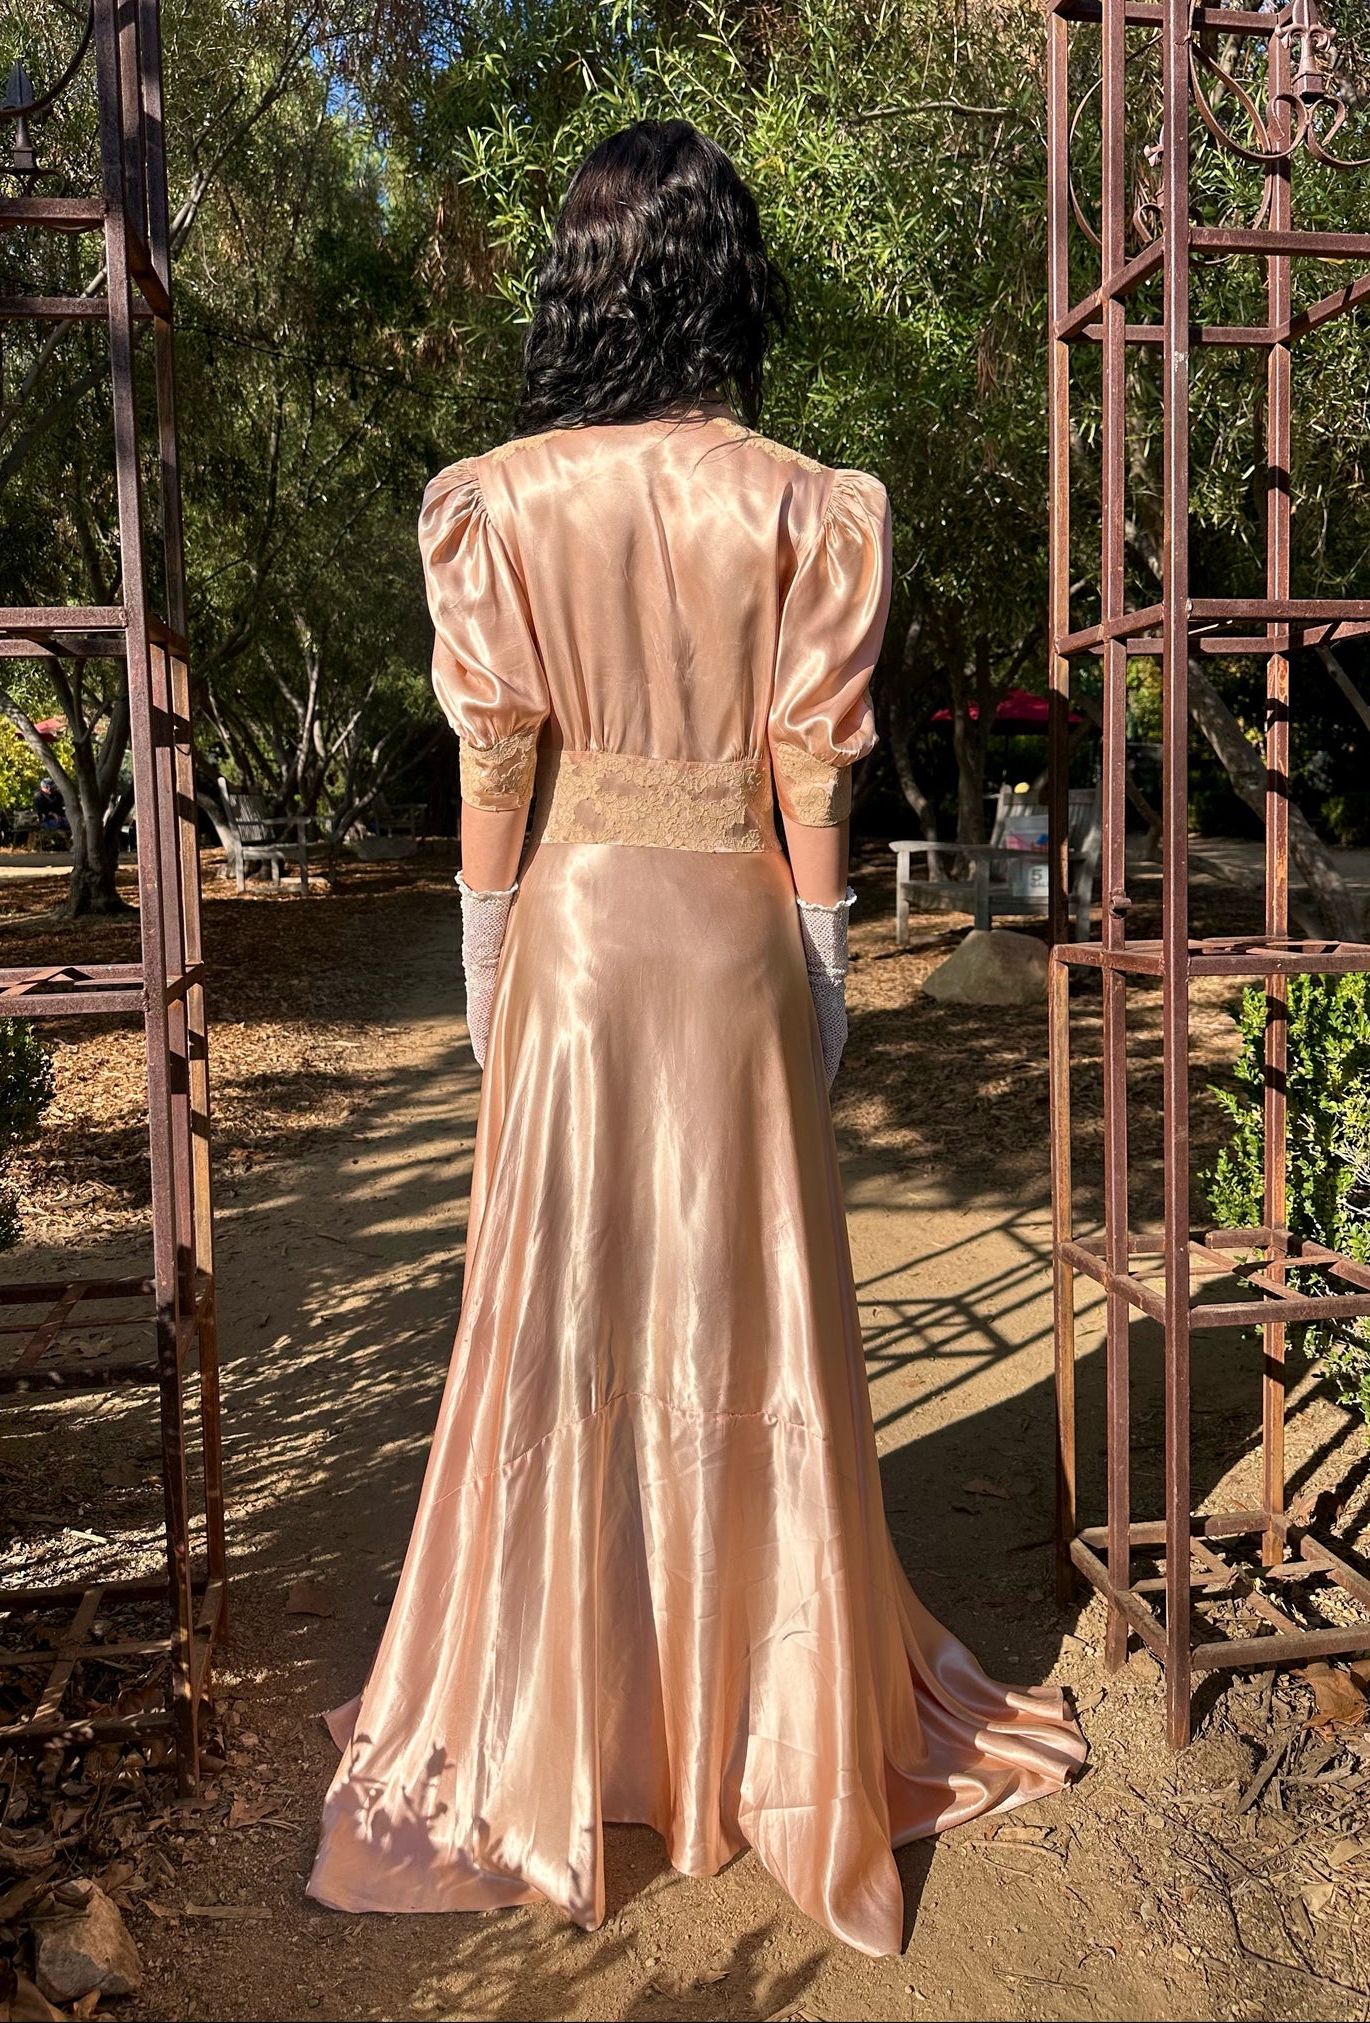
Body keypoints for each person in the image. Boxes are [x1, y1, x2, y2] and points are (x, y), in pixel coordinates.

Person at [310, 119, 1084, 1957]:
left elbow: (496, 762)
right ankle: (761, 1711)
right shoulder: (808, 507)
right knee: (751, 1312)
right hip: (734, 935)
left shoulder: (496, 503)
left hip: (577, 940)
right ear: (728, 278)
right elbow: (813, 770)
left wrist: (484, 948)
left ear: (581, 283)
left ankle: (562, 1708)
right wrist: (822, 956)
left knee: (562, 1317)